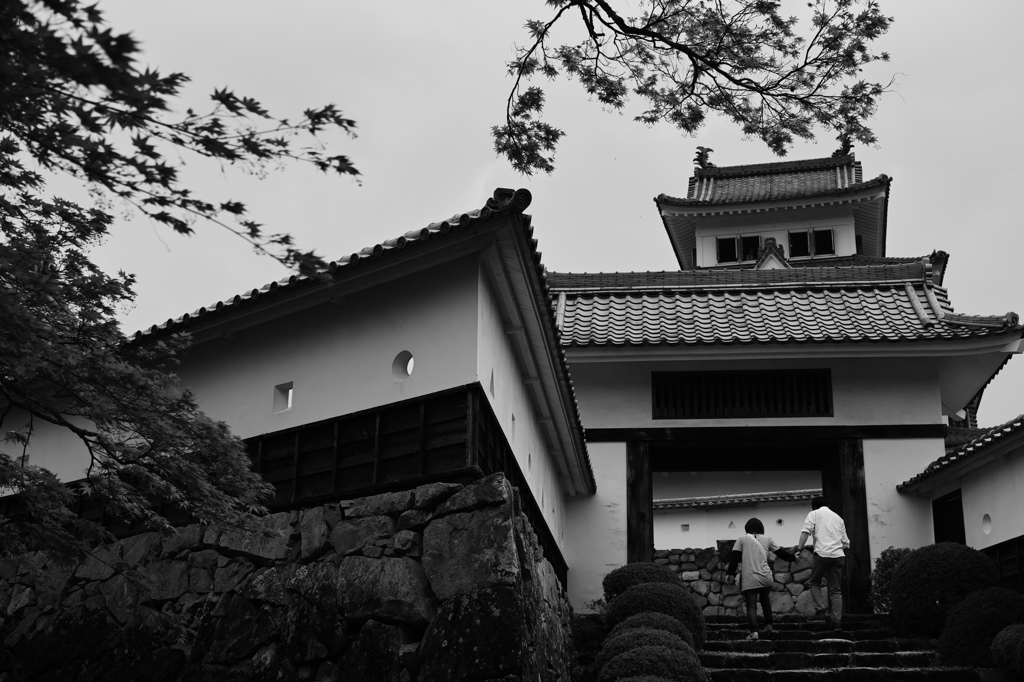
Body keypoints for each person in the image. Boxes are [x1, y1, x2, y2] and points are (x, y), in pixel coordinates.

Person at [726, 518, 796, 640]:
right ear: (761, 528)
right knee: (765, 601)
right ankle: (769, 625)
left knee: (751, 605)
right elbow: (781, 553)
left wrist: (730, 574)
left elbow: (734, 558)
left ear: (747, 529)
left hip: (750, 578)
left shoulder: (741, 539)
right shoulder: (767, 539)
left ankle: (754, 632)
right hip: (765, 577)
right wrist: (793, 558)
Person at [797, 496, 850, 629]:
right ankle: (837, 622)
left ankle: (821, 611)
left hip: (822, 554)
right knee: (836, 590)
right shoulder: (838, 518)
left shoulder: (814, 514)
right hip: (838, 556)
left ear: (814, 506)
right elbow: (846, 543)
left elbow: (805, 532)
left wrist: (799, 549)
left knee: (814, 582)